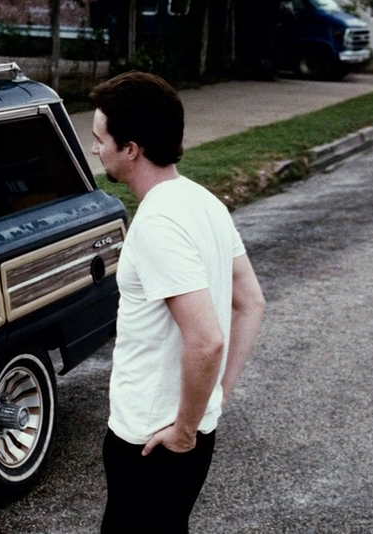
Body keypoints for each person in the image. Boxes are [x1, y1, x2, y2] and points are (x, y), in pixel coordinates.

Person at [90, 71, 266, 532]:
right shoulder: (204, 202)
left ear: (131, 148)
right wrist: (216, 396)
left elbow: (206, 340)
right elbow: (252, 302)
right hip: (184, 430)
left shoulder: (157, 223)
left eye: (100, 139)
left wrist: (185, 429)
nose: (95, 149)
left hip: (152, 439)